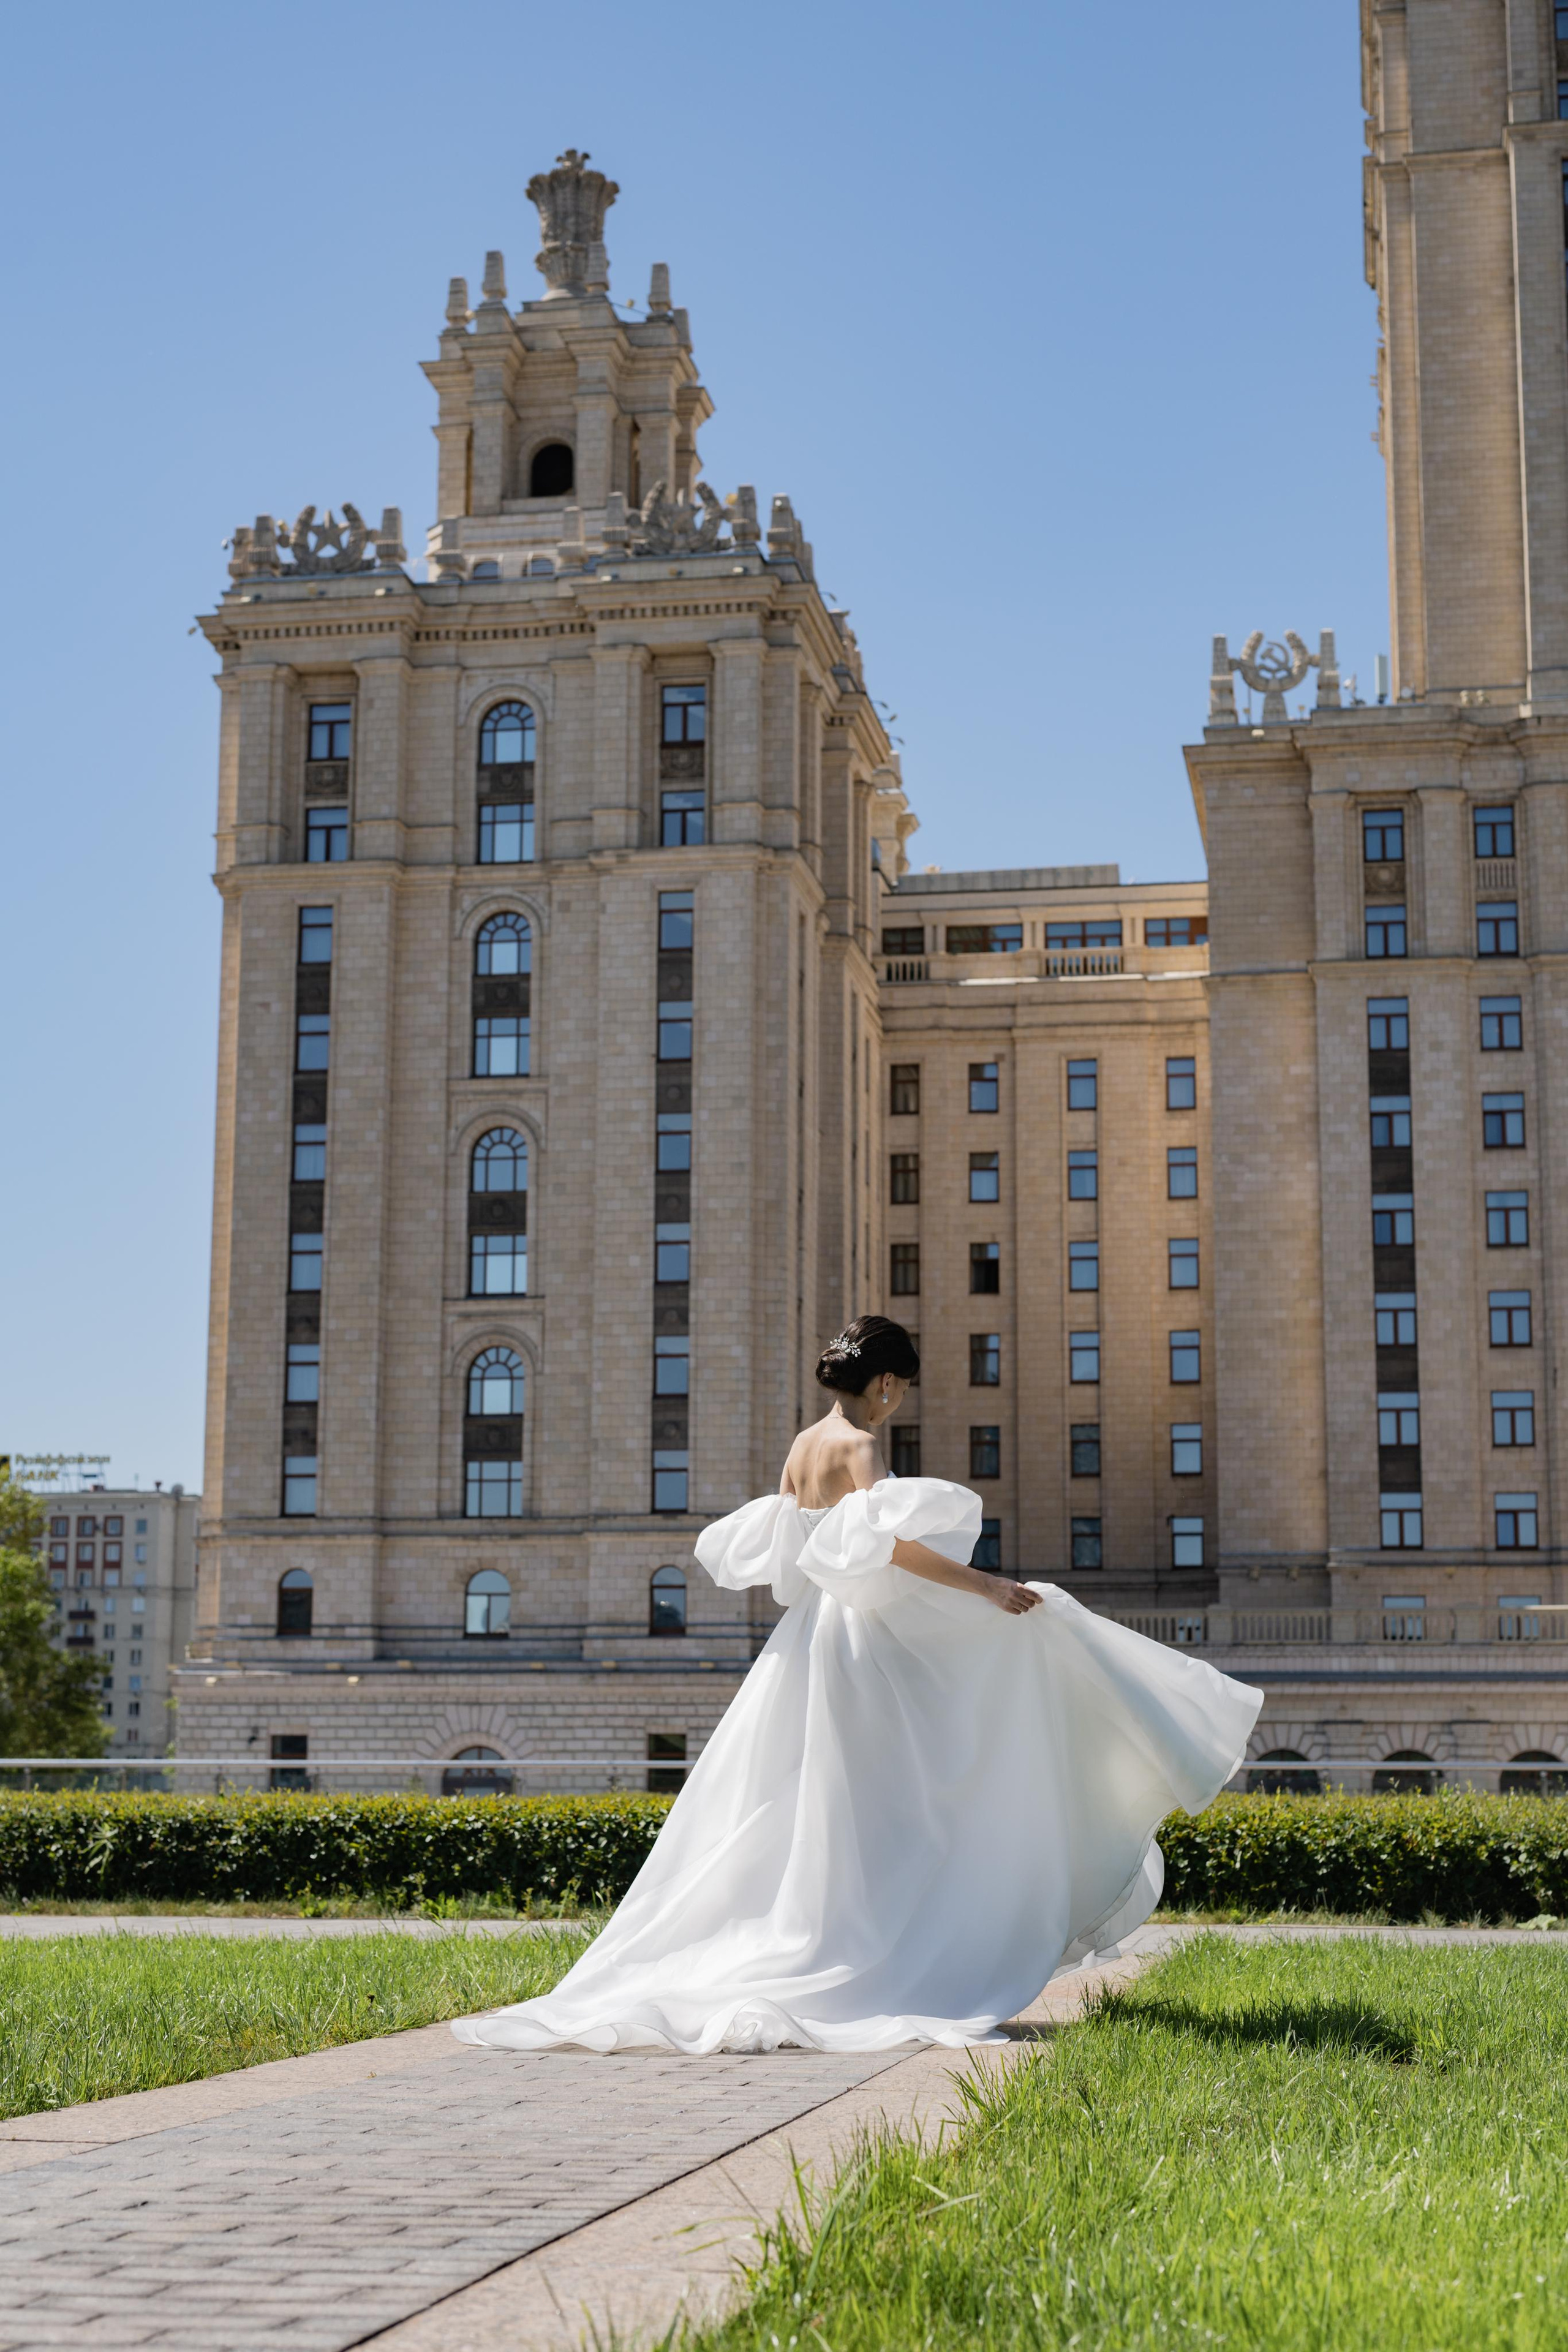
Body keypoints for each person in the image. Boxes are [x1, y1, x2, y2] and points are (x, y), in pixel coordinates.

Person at [451, 1315, 1262, 2056]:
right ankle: (874, 1952)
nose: (898, 1402)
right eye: (901, 1389)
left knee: (808, 1803)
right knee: (907, 1777)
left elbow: (798, 1543)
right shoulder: (862, 1447)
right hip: (857, 1640)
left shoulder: (802, 1445)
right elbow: (888, 1547)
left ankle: (828, 1934)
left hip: (808, 1641)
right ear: (884, 1384)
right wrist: (982, 1585)